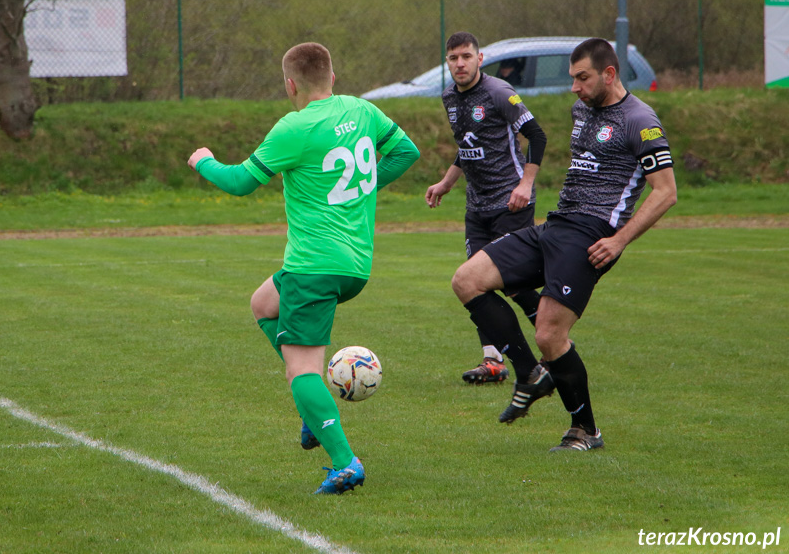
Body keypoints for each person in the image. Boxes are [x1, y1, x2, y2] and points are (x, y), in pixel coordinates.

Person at [187, 42, 420, 492]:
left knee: (301, 371)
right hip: (355, 265)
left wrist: (204, 161)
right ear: (332, 77)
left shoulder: (294, 127)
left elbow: (239, 182)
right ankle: (312, 411)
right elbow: (405, 152)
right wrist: (359, 190)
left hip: (313, 266)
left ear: (289, 84)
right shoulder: (363, 111)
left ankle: (345, 461)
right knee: (263, 304)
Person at [450, 37, 677, 451]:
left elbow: (665, 192)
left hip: (592, 236)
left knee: (550, 334)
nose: (575, 87)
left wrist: (619, 240)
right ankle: (530, 374)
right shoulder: (582, 109)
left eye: (583, 78)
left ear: (609, 74)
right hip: (554, 225)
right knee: (467, 279)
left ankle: (585, 431)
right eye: (573, 78)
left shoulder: (640, 119)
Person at [426, 31, 548, 387]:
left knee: (515, 286)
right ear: (447, 63)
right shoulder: (449, 97)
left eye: (466, 56)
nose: (460, 64)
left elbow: (537, 136)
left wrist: (525, 184)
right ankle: (492, 362)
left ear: (480, 59)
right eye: (453, 58)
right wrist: (447, 183)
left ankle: (556, 348)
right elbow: (468, 146)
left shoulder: (499, 93)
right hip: (476, 208)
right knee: (475, 285)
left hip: (511, 203)